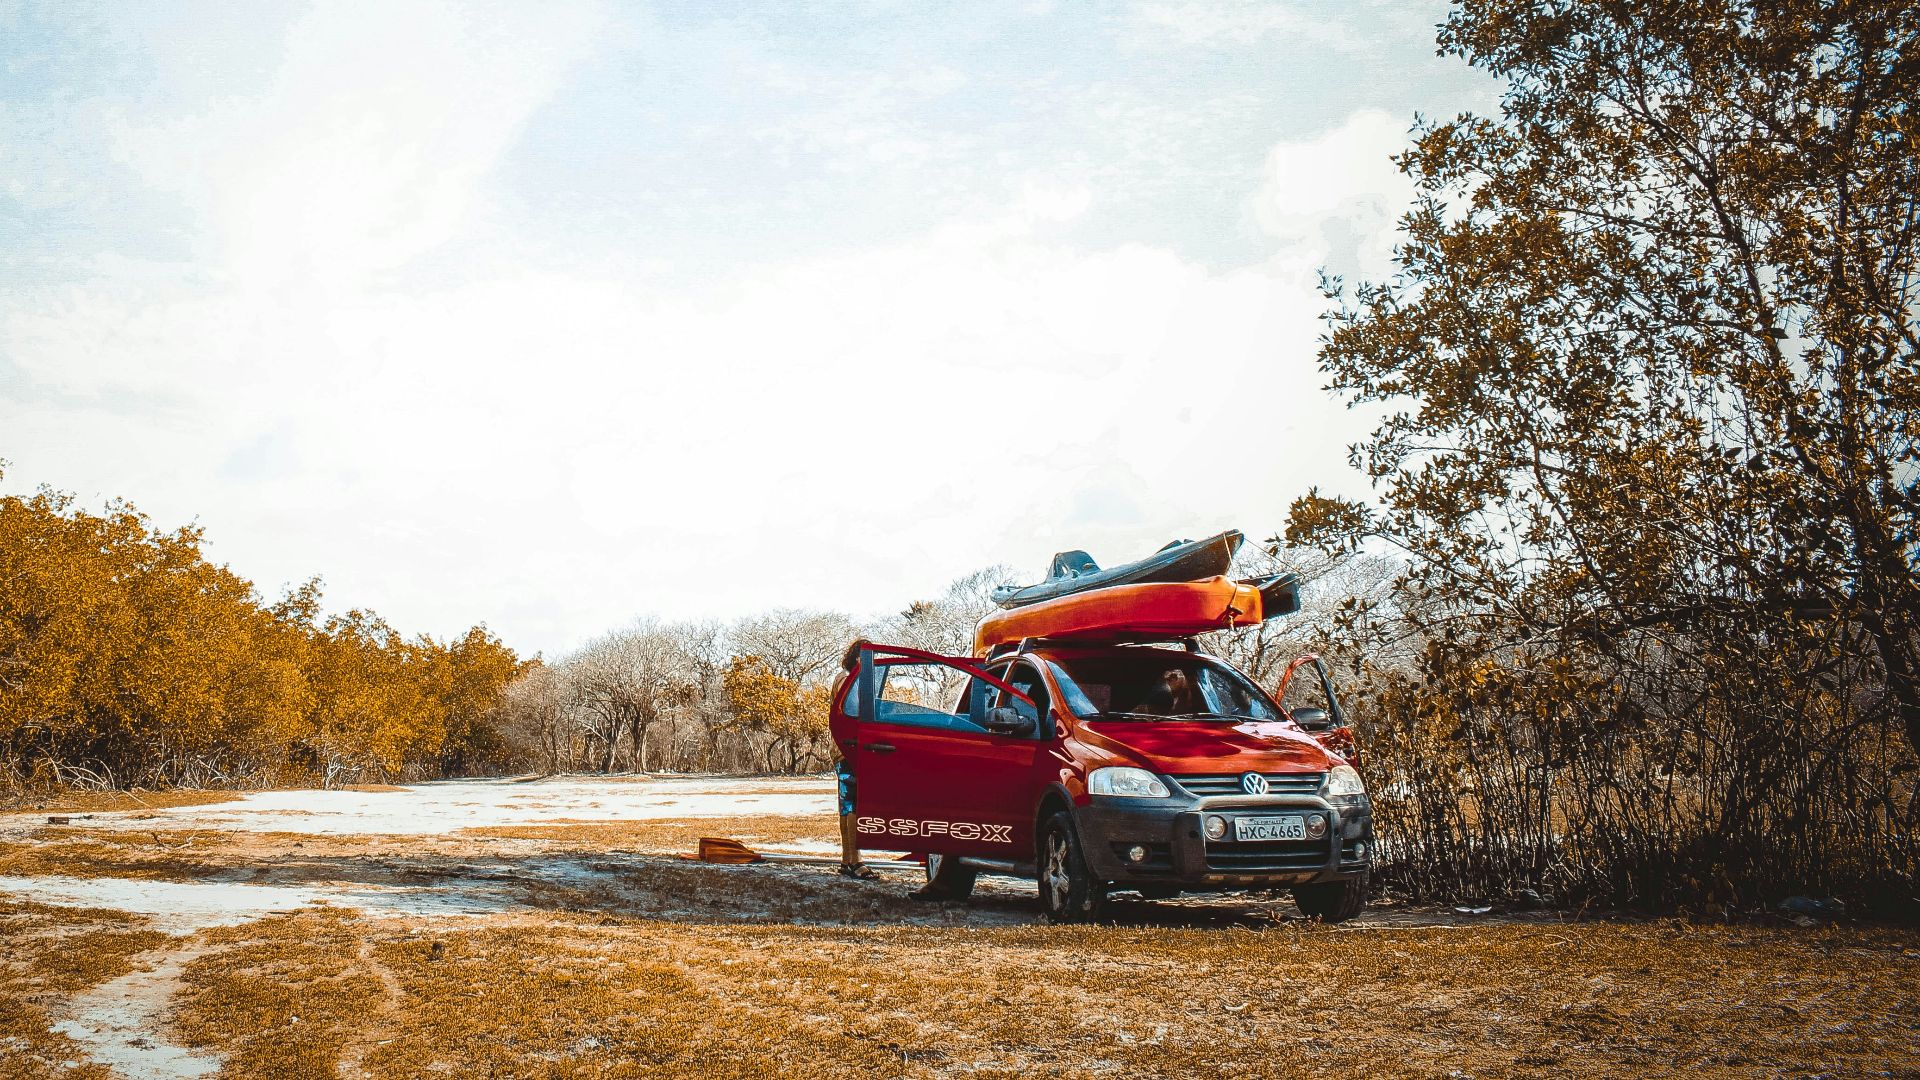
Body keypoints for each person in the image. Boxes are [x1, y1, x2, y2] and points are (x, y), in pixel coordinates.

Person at [836, 756, 876, 879]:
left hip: (843, 751)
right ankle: (854, 860)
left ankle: (847, 859)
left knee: (846, 803)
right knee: (853, 802)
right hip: (850, 749)